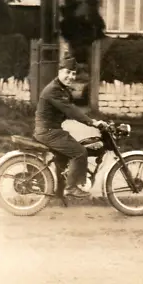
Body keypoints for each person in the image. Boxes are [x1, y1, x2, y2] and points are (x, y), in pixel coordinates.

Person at [33, 54, 107, 198]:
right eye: (67, 72)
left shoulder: (61, 89)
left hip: (51, 129)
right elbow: (71, 110)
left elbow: (69, 110)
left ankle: (59, 193)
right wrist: (92, 122)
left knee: (65, 158)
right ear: (59, 71)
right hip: (48, 131)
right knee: (79, 152)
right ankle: (71, 188)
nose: (71, 77)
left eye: (73, 74)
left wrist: (91, 120)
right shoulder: (54, 90)